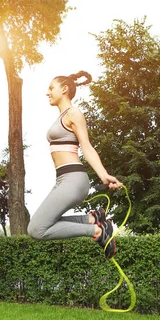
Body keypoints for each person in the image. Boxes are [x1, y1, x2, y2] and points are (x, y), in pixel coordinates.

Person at [27, 71, 122, 259]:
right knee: (46, 223)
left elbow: (86, 146)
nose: (48, 92)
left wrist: (103, 175)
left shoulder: (74, 113)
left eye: (51, 88)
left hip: (73, 179)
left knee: (37, 229)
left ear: (64, 89)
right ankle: (94, 219)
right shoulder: (62, 115)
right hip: (63, 179)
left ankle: (97, 231)